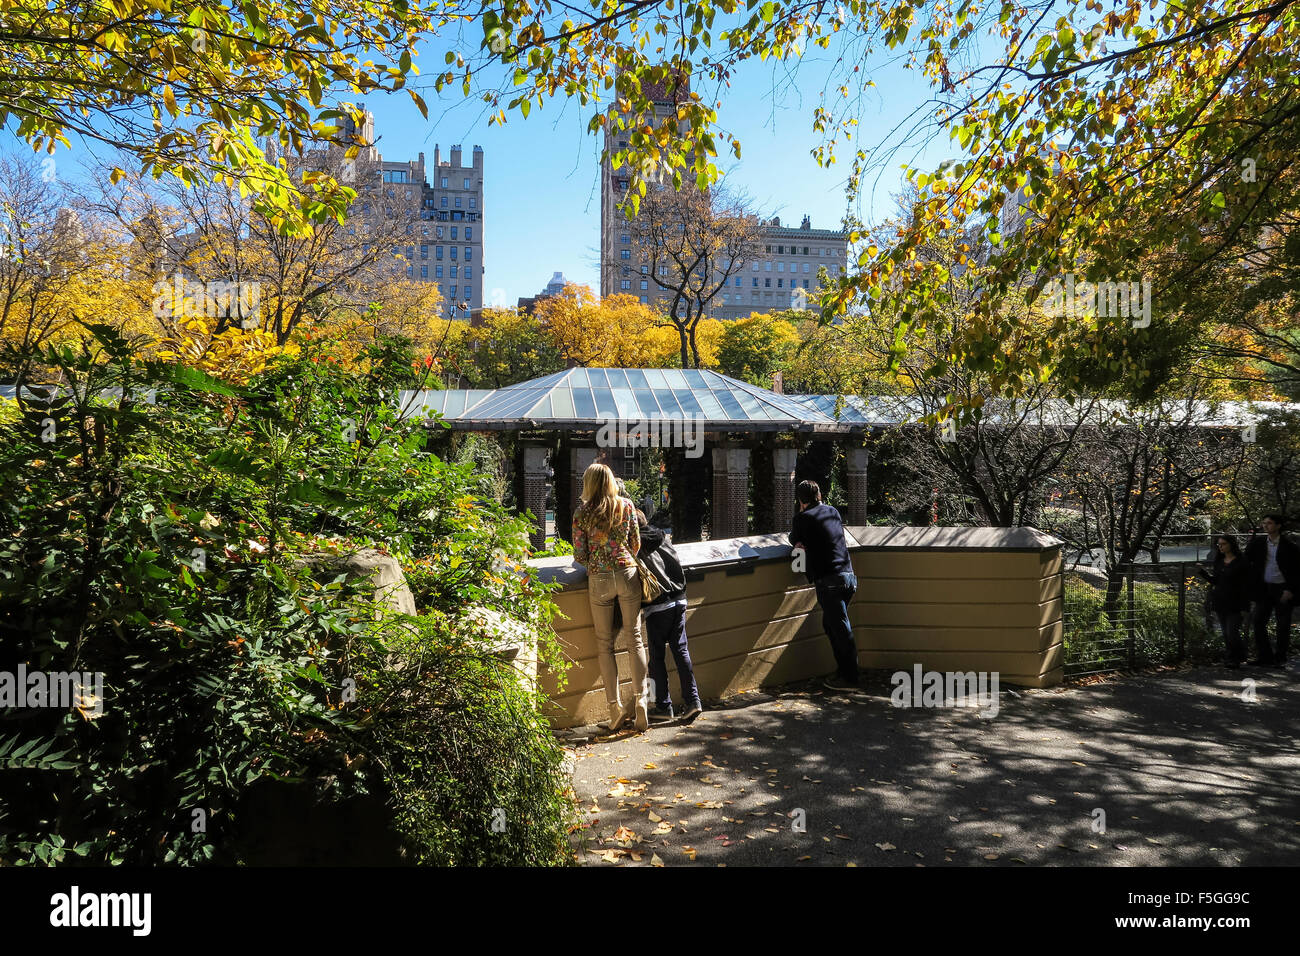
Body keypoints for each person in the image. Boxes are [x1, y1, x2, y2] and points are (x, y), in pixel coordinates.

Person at [573, 463, 650, 732]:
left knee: (605, 644)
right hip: (628, 572)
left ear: (589, 483)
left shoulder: (582, 512)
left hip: (600, 577)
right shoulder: (626, 506)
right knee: (635, 638)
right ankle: (641, 701)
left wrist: (596, 560)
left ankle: (614, 709)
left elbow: (580, 554)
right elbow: (636, 544)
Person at [788, 479, 859, 691]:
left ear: (800, 499)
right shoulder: (833, 512)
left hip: (829, 580)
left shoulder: (803, 518)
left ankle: (851, 678)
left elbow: (794, 538)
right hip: (848, 576)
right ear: (819, 494)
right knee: (831, 625)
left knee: (840, 628)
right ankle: (843, 671)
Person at [636, 511, 703, 723]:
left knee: (656, 659)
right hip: (680, 600)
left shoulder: (637, 545)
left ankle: (661, 706)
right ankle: (693, 700)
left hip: (658, 605)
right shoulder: (662, 536)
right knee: (681, 650)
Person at [1244, 514, 1299, 668]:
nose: (1265, 526)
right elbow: (1246, 560)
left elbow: (1296, 571)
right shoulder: (1259, 543)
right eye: (1264, 523)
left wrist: (1290, 589)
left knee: (1283, 624)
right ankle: (1265, 656)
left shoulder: (1289, 546)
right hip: (1264, 587)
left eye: (1269, 523)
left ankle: (1280, 658)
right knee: (1258, 621)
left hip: (1282, 588)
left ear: (1278, 525)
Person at [1208, 534, 1251, 668]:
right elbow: (1216, 581)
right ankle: (1232, 657)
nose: (1220, 547)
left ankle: (1239, 655)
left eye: (1223, 544)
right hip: (1221, 600)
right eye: (1219, 544)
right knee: (1226, 632)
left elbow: (1245, 586)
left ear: (1231, 544)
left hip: (1235, 601)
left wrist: (1245, 606)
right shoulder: (1219, 561)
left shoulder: (1241, 561)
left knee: (1232, 631)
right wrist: (1202, 573)